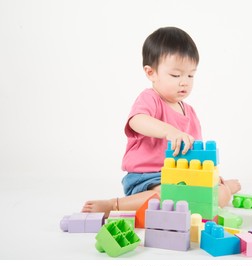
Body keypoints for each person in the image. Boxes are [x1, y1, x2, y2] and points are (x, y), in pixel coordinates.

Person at [82, 27, 240, 217]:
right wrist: (169, 131)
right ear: (151, 73)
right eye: (176, 75)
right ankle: (114, 205)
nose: (185, 82)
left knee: (218, 195)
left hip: (181, 178)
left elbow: (195, 154)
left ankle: (226, 188)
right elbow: (137, 121)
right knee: (167, 195)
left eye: (190, 75)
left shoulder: (190, 112)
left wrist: (209, 179)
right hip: (148, 178)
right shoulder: (151, 99)